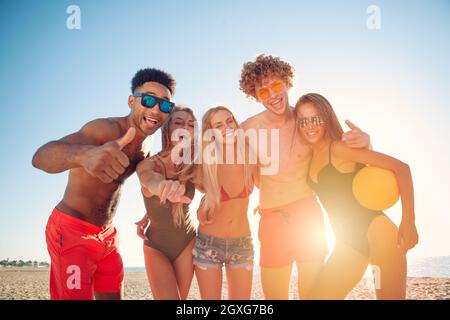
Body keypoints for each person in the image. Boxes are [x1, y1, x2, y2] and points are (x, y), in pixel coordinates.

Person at [32, 68, 179, 300]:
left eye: (165, 105)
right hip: (72, 230)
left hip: (108, 236)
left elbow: (147, 179)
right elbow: (40, 157)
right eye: (149, 100)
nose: (155, 110)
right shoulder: (105, 129)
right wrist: (83, 156)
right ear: (132, 101)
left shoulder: (147, 144)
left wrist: (149, 212)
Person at [238, 54, 371, 299]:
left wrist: (366, 142)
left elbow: (338, 150)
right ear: (254, 96)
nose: (272, 95)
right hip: (271, 219)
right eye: (263, 91)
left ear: (287, 83)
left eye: (276, 85)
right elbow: (230, 171)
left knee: (311, 295)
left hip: (308, 215)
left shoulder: (307, 122)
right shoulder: (247, 129)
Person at [295, 93, 418, 299]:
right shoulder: (310, 156)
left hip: (380, 235)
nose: (310, 126)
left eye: (315, 119)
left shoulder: (339, 148)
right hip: (348, 242)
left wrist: (408, 221)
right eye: (303, 121)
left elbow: (401, 168)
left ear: (326, 118)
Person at [194, 106, 258, 300]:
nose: (227, 127)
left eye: (229, 121)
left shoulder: (250, 155)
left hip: (242, 244)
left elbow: (271, 184)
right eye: (218, 125)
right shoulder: (205, 164)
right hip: (208, 244)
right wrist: (203, 203)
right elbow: (183, 190)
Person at [134, 106, 198, 300]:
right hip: (156, 245)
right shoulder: (148, 164)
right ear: (167, 128)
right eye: (178, 123)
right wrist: (163, 187)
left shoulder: (194, 163)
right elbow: (149, 180)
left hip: (187, 241)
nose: (184, 128)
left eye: (190, 125)